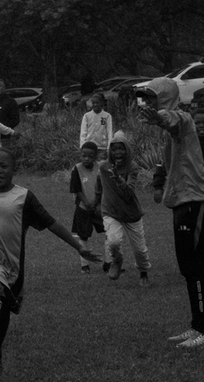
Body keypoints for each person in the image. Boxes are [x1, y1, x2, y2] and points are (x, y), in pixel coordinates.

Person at [0, 149, 98, 375]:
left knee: (4, 310)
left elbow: (52, 223)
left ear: (14, 170)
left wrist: (79, 246)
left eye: (3, 166)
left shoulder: (24, 197)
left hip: (13, 265)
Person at [138, 79, 204, 350]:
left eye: (152, 97)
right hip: (181, 202)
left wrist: (159, 116)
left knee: (198, 268)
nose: (148, 103)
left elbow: (172, 119)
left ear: (165, 98)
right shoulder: (170, 134)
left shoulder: (183, 119)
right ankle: (197, 325)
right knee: (189, 270)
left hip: (195, 202)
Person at [96, 131, 150, 284]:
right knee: (112, 241)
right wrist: (96, 201)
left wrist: (119, 180)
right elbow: (99, 184)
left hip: (131, 213)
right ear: (110, 151)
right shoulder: (103, 166)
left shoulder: (132, 167)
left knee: (139, 249)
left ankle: (144, 272)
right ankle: (117, 260)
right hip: (111, 211)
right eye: (114, 149)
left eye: (121, 148)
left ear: (127, 150)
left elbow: (129, 193)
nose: (118, 152)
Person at [68, 141, 108, 275]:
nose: (86, 159)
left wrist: (96, 203)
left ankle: (108, 263)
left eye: (90, 156)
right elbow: (76, 189)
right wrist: (87, 203)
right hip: (83, 208)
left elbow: (103, 187)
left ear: (95, 156)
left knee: (108, 233)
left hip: (99, 208)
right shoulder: (77, 169)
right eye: (84, 155)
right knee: (83, 236)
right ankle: (84, 265)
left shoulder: (100, 168)